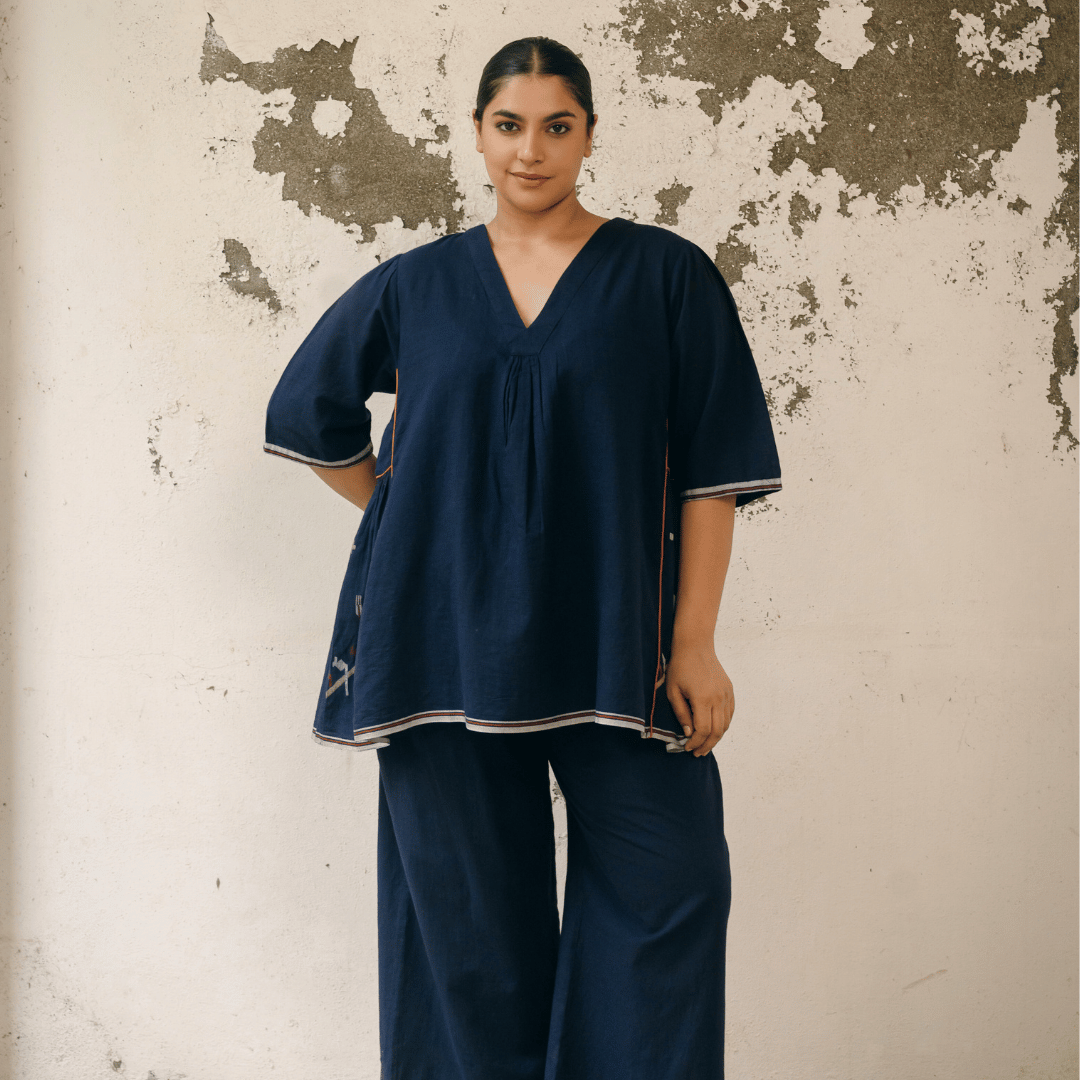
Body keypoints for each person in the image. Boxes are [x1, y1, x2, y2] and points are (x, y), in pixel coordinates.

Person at [264, 35, 781, 1080]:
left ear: (589, 136)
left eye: (556, 126)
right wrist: (413, 517)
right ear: (477, 134)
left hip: (619, 649)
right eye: (509, 125)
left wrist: (695, 641)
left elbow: (713, 471)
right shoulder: (416, 285)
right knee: (468, 946)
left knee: (673, 888)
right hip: (440, 650)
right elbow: (307, 412)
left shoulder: (666, 277)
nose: (531, 151)